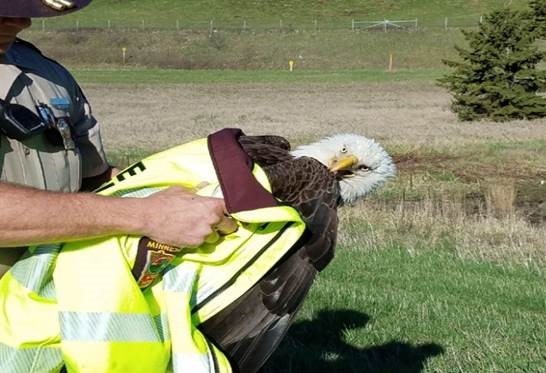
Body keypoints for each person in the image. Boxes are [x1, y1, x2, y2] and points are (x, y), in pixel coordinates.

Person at [0, 0, 235, 277]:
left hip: (45, 298)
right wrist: (144, 215)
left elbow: (95, 178)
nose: (22, 21)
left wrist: (188, 197)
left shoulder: (47, 74)